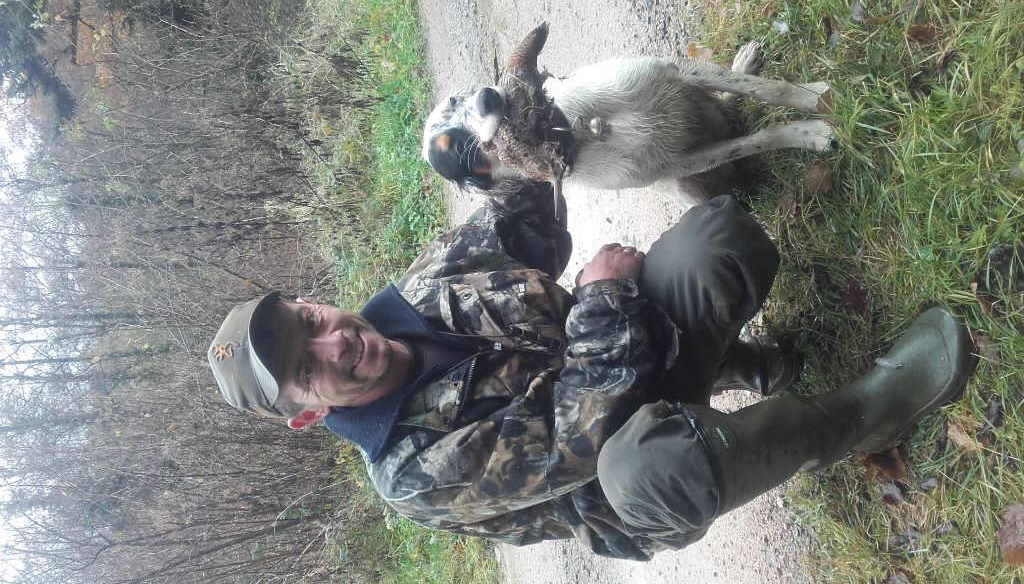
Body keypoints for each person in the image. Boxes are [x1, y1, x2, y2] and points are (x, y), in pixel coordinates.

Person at [208, 181, 975, 561]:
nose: (335, 345)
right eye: (308, 370)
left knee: (715, 241)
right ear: (308, 414)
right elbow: (578, 433)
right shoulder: (408, 470)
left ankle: (739, 364)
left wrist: (519, 176)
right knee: (653, 460)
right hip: (618, 472)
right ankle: (862, 414)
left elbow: (529, 212)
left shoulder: (416, 290)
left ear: (312, 303)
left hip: (637, 361)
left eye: (310, 325)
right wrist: (604, 296)